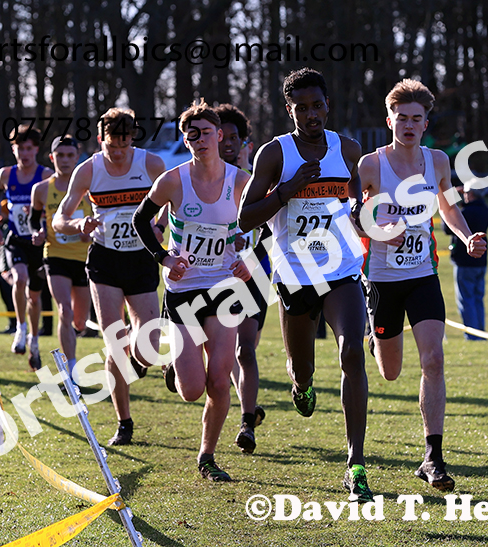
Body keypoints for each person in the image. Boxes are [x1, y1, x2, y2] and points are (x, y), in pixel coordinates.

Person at [238, 68, 374, 501]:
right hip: (295, 275)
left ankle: (355, 464)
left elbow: (361, 201)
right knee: (302, 368)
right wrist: (287, 190)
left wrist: (361, 214)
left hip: (341, 269)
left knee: (353, 350)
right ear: (289, 109)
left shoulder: (348, 149)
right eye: (302, 108)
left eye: (318, 105)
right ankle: (301, 385)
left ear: (327, 105)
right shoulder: (274, 154)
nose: (311, 114)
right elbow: (245, 218)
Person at [357, 79, 486, 492]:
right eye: (402, 118)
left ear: (425, 122)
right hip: (381, 279)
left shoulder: (437, 162)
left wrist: (466, 236)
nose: (408, 125)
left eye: (416, 119)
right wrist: (379, 231)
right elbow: (352, 216)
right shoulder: (371, 165)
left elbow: (447, 206)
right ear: (389, 119)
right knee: (390, 372)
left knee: (434, 359)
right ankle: (376, 338)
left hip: (422, 275)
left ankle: (433, 456)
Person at [133, 99, 252, 481]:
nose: (199, 140)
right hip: (184, 291)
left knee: (219, 378)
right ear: (186, 141)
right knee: (191, 390)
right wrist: (163, 258)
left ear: (219, 135)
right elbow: (140, 218)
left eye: (205, 132)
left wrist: (249, 256)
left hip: (224, 287)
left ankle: (207, 456)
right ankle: (173, 360)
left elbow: (265, 223)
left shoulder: (240, 182)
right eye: (191, 135)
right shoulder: (173, 180)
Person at [53, 108, 165, 446]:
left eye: (123, 145)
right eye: (111, 146)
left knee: (148, 350)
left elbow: (176, 201)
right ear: (101, 139)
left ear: (132, 139)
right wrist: (77, 225)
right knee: (113, 342)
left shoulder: (151, 165)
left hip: (142, 258)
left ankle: (135, 349)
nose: (117, 153)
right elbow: (60, 217)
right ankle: (124, 422)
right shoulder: (88, 170)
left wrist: (159, 228)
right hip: (104, 260)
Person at [213, 103, 268, 454]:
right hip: (211, 275)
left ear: (245, 142)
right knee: (219, 350)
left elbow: (272, 226)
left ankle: (247, 423)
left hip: (253, 272)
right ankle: (249, 408)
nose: (229, 144)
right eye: (223, 138)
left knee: (244, 349)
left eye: (236, 138)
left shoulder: (257, 181)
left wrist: (249, 255)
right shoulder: (198, 180)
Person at [0, 125, 54, 369]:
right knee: (20, 279)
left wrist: (43, 226)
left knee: (35, 299)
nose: (24, 153)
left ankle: (34, 342)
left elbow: (55, 205)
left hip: (38, 243)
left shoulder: (47, 175)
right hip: (15, 240)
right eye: (20, 149)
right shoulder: (5, 174)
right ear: (13, 149)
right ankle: (20, 327)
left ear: (36, 149)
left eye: (29, 148)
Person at [30, 135, 92, 376]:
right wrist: (38, 233)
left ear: (77, 158)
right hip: (55, 255)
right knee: (64, 310)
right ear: (52, 157)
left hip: (83, 258)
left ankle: (73, 351)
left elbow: (99, 220)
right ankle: (71, 369)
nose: (65, 161)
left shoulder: (88, 190)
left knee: (80, 321)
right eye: (60, 156)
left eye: (70, 156)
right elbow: (35, 220)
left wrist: (89, 233)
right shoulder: (42, 189)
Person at [444, 183, 488, 340]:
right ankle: (480, 332)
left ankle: (472, 334)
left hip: (465, 261)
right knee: (478, 298)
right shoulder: (485, 209)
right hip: (481, 262)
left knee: (466, 299)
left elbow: (447, 226)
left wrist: (453, 199)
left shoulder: (466, 212)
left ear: (471, 194)